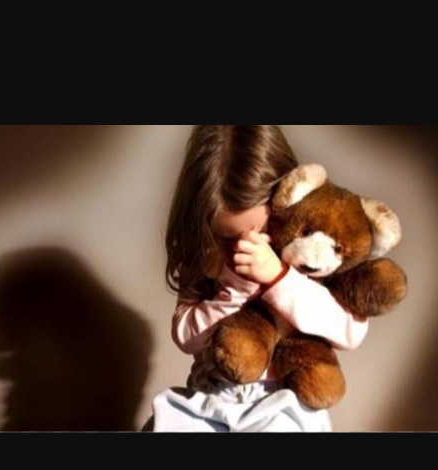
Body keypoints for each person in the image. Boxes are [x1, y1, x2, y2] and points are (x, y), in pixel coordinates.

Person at [147, 125, 368, 432]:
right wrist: (234, 292)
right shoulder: (207, 256)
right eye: (227, 238)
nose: (245, 248)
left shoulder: (307, 255)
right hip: (211, 396)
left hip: (283, 401)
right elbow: (186, 338)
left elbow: (351, 332)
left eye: (261, 232)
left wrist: (279, 278)